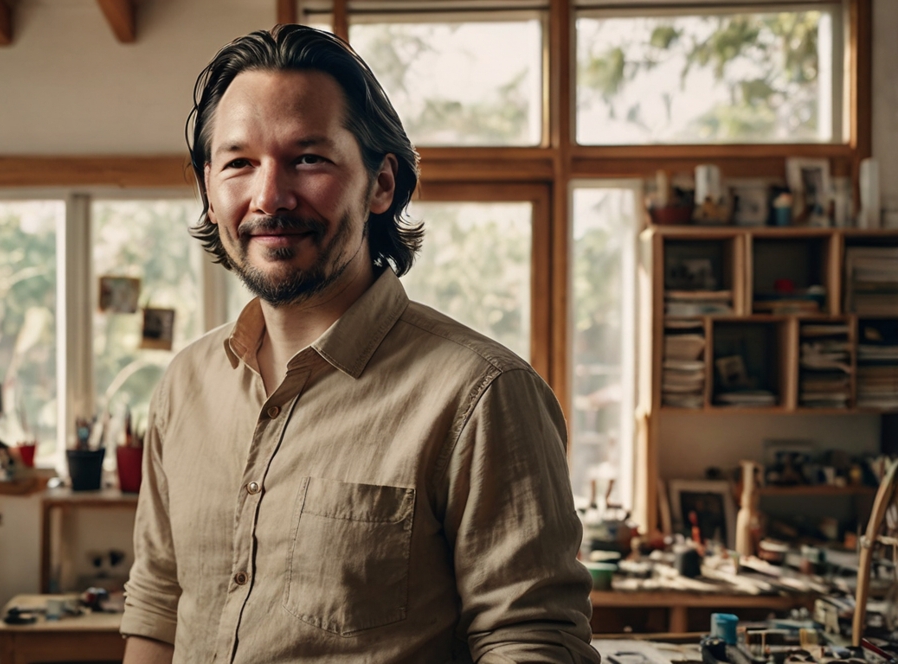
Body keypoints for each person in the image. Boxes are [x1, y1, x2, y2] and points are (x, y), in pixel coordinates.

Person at [120, 24, 598, 664]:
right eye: (239, 162)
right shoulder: (185, 384)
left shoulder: (482, 395)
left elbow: (530, 640)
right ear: (210, 190)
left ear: (381, 184)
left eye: (308, 159)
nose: (270, 196)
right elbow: (157, 606)